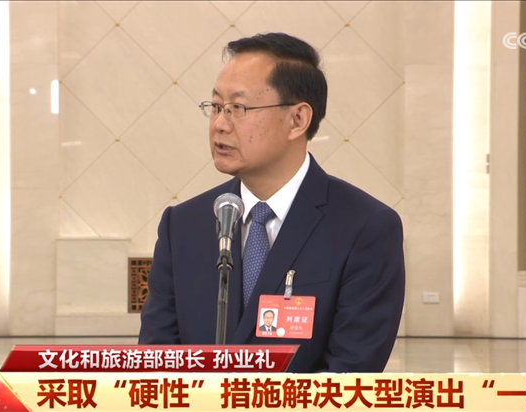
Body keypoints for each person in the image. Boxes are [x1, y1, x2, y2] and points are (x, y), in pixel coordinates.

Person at [139, 32, 405, 373]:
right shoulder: (182, 226)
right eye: (216, 107)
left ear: (297, 120)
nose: (219, 124)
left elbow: (349, 375)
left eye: (238, 108)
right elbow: (157, 365)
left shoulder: (364, 229)